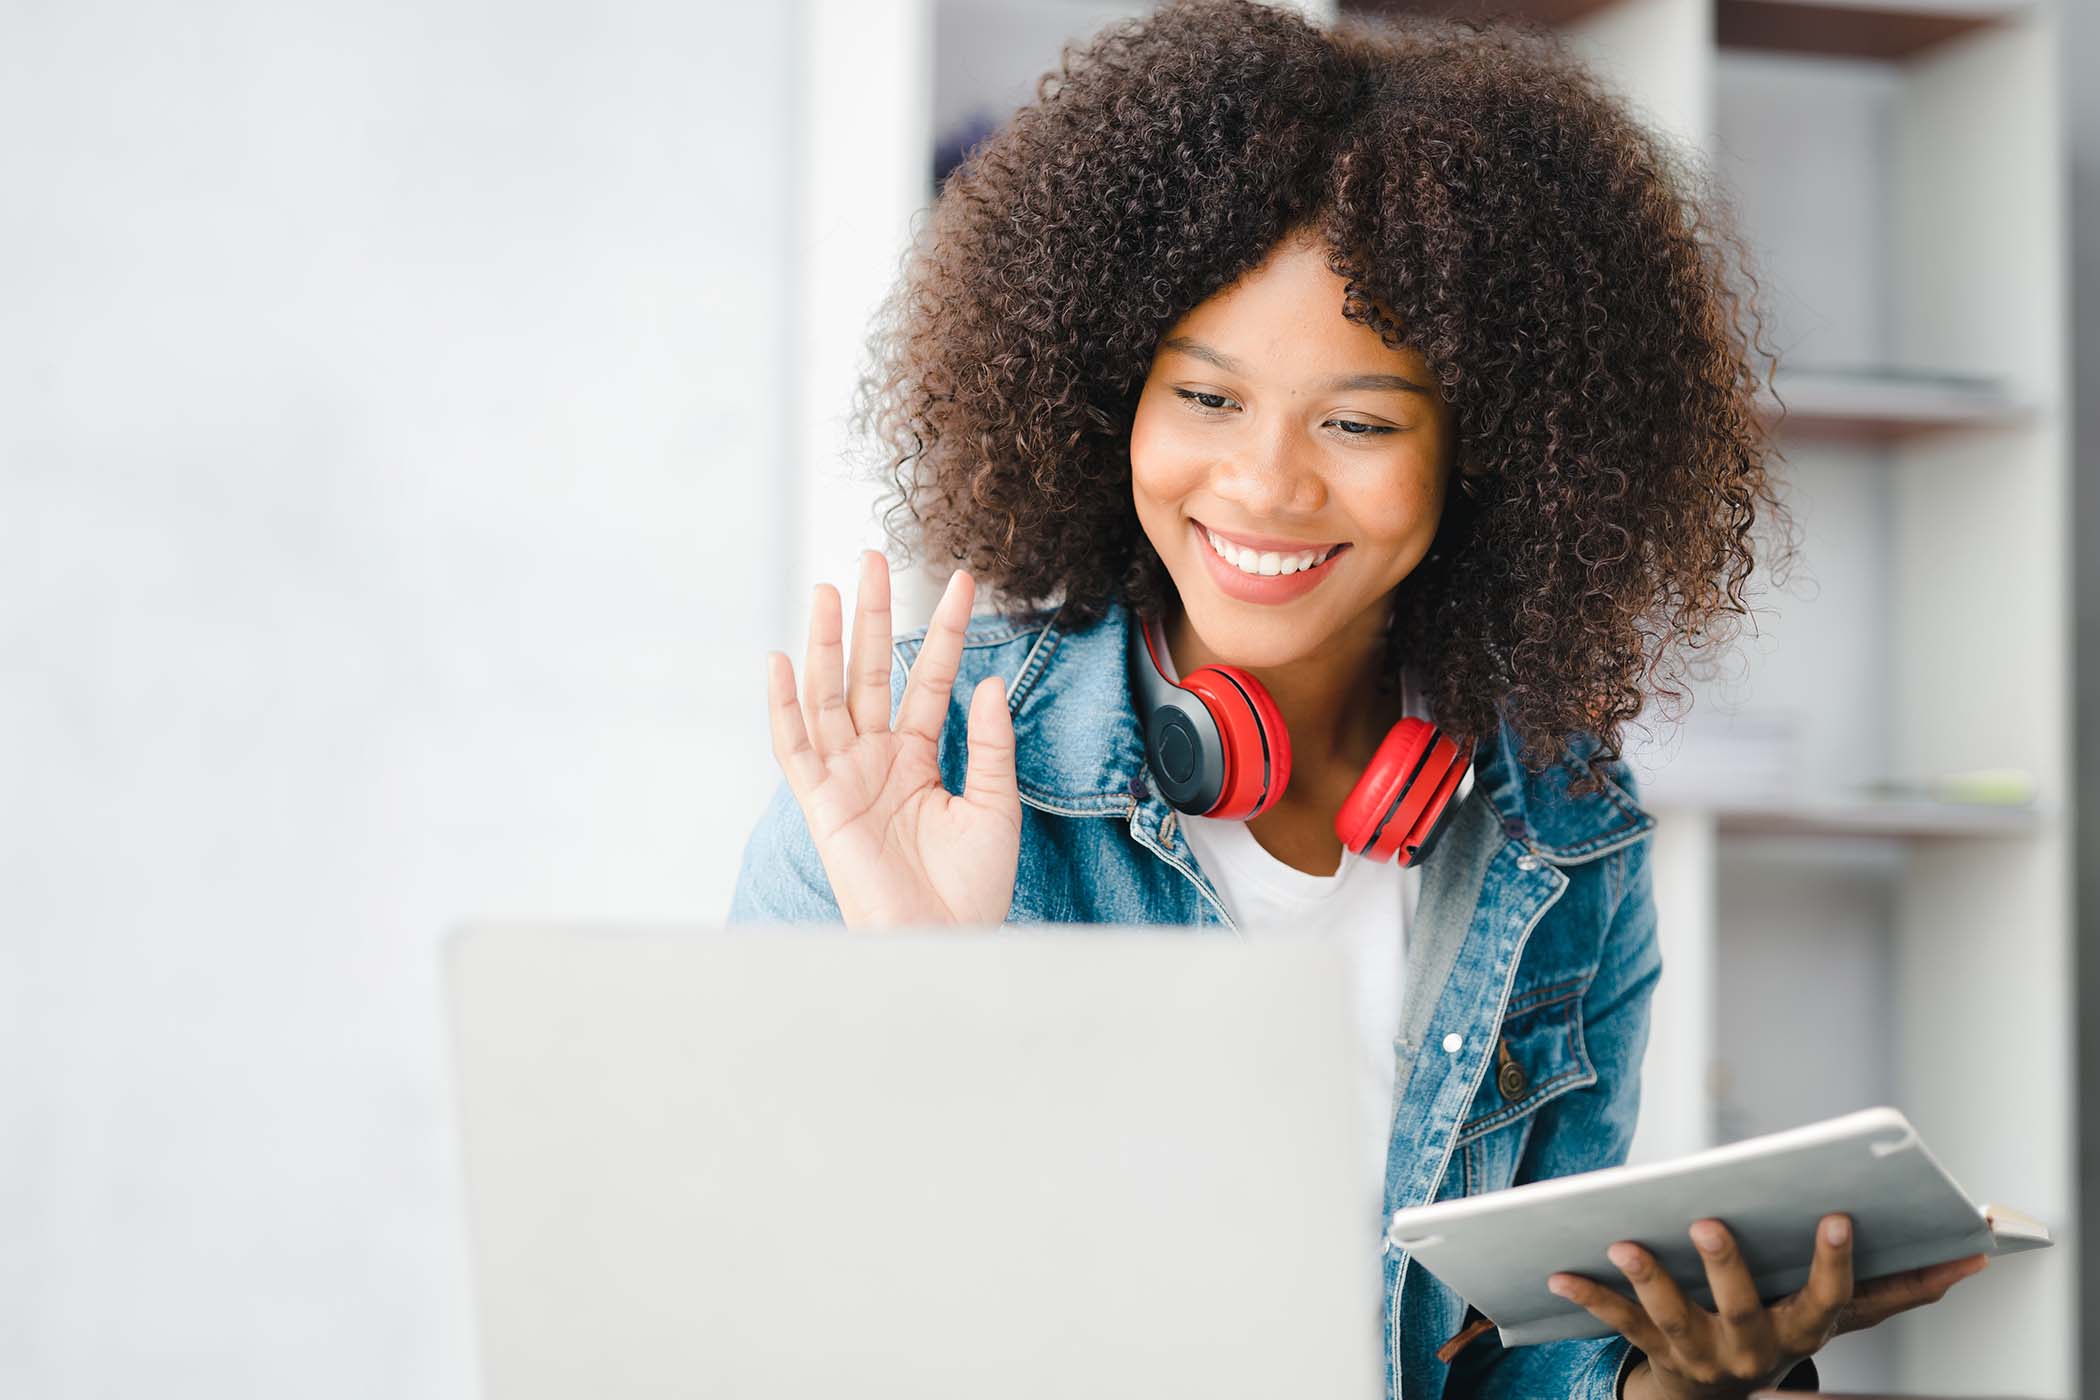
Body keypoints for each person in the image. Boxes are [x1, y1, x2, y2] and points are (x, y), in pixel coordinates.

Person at [728, 2, 1987, 1395]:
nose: (1266, 484)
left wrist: (1673, 1381)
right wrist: (918, 999)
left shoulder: (1560, 835)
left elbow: (1509, 1366)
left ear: (1499, 455)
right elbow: (772, 1319)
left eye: (1360, 421)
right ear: (1106, 399)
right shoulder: (911, 771)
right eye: (1206, 399)